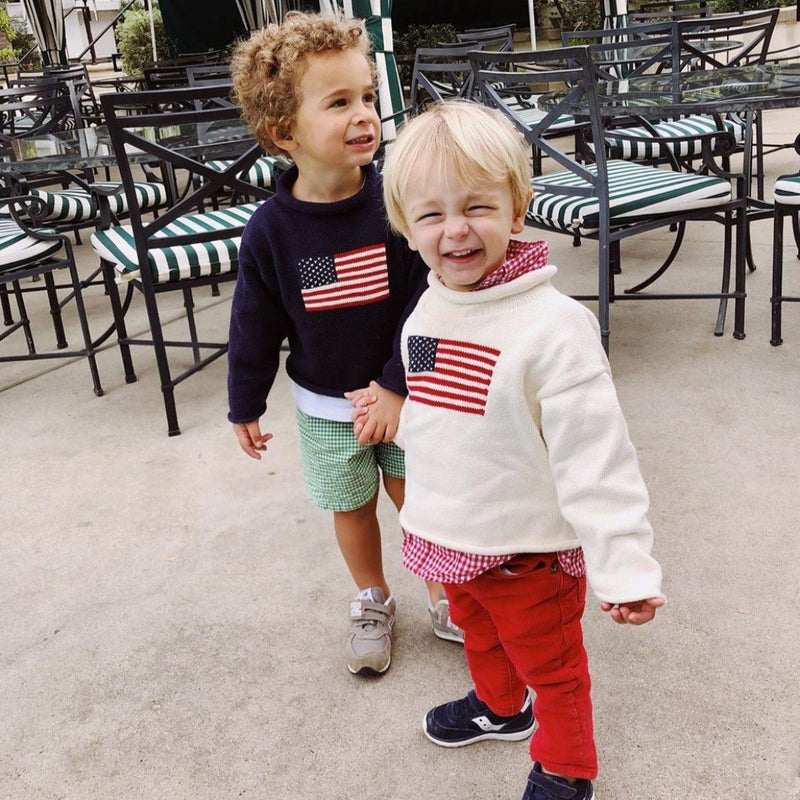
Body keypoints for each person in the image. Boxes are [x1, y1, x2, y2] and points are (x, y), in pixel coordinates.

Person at [354, 100, 666, 799]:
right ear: (406, 227)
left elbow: (597, 457)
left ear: (518, 207)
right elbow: (442, 415)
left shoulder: (553, 328)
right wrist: (392, 407)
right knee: (478, 635)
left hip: (528, 554)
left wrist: (625, 565)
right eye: (431, 214)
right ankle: (500, 707)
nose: (455, 229)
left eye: (477, 206)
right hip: (451, 536)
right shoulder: (431, 307)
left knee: (553, 669)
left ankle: (566, 767)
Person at [226, 12, 463, 679]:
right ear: (284, 133)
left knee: (422, 498)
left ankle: (447, 592)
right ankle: (373, 598)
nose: (365, 115)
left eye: (368, 98)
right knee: (351, 503)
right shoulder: (270, 231)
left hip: (409, 390)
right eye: (339, 102)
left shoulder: (394, 202)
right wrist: (245, 402)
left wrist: (396, 383)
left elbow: (429, 299)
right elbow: (254, 322)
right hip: (328, 405)